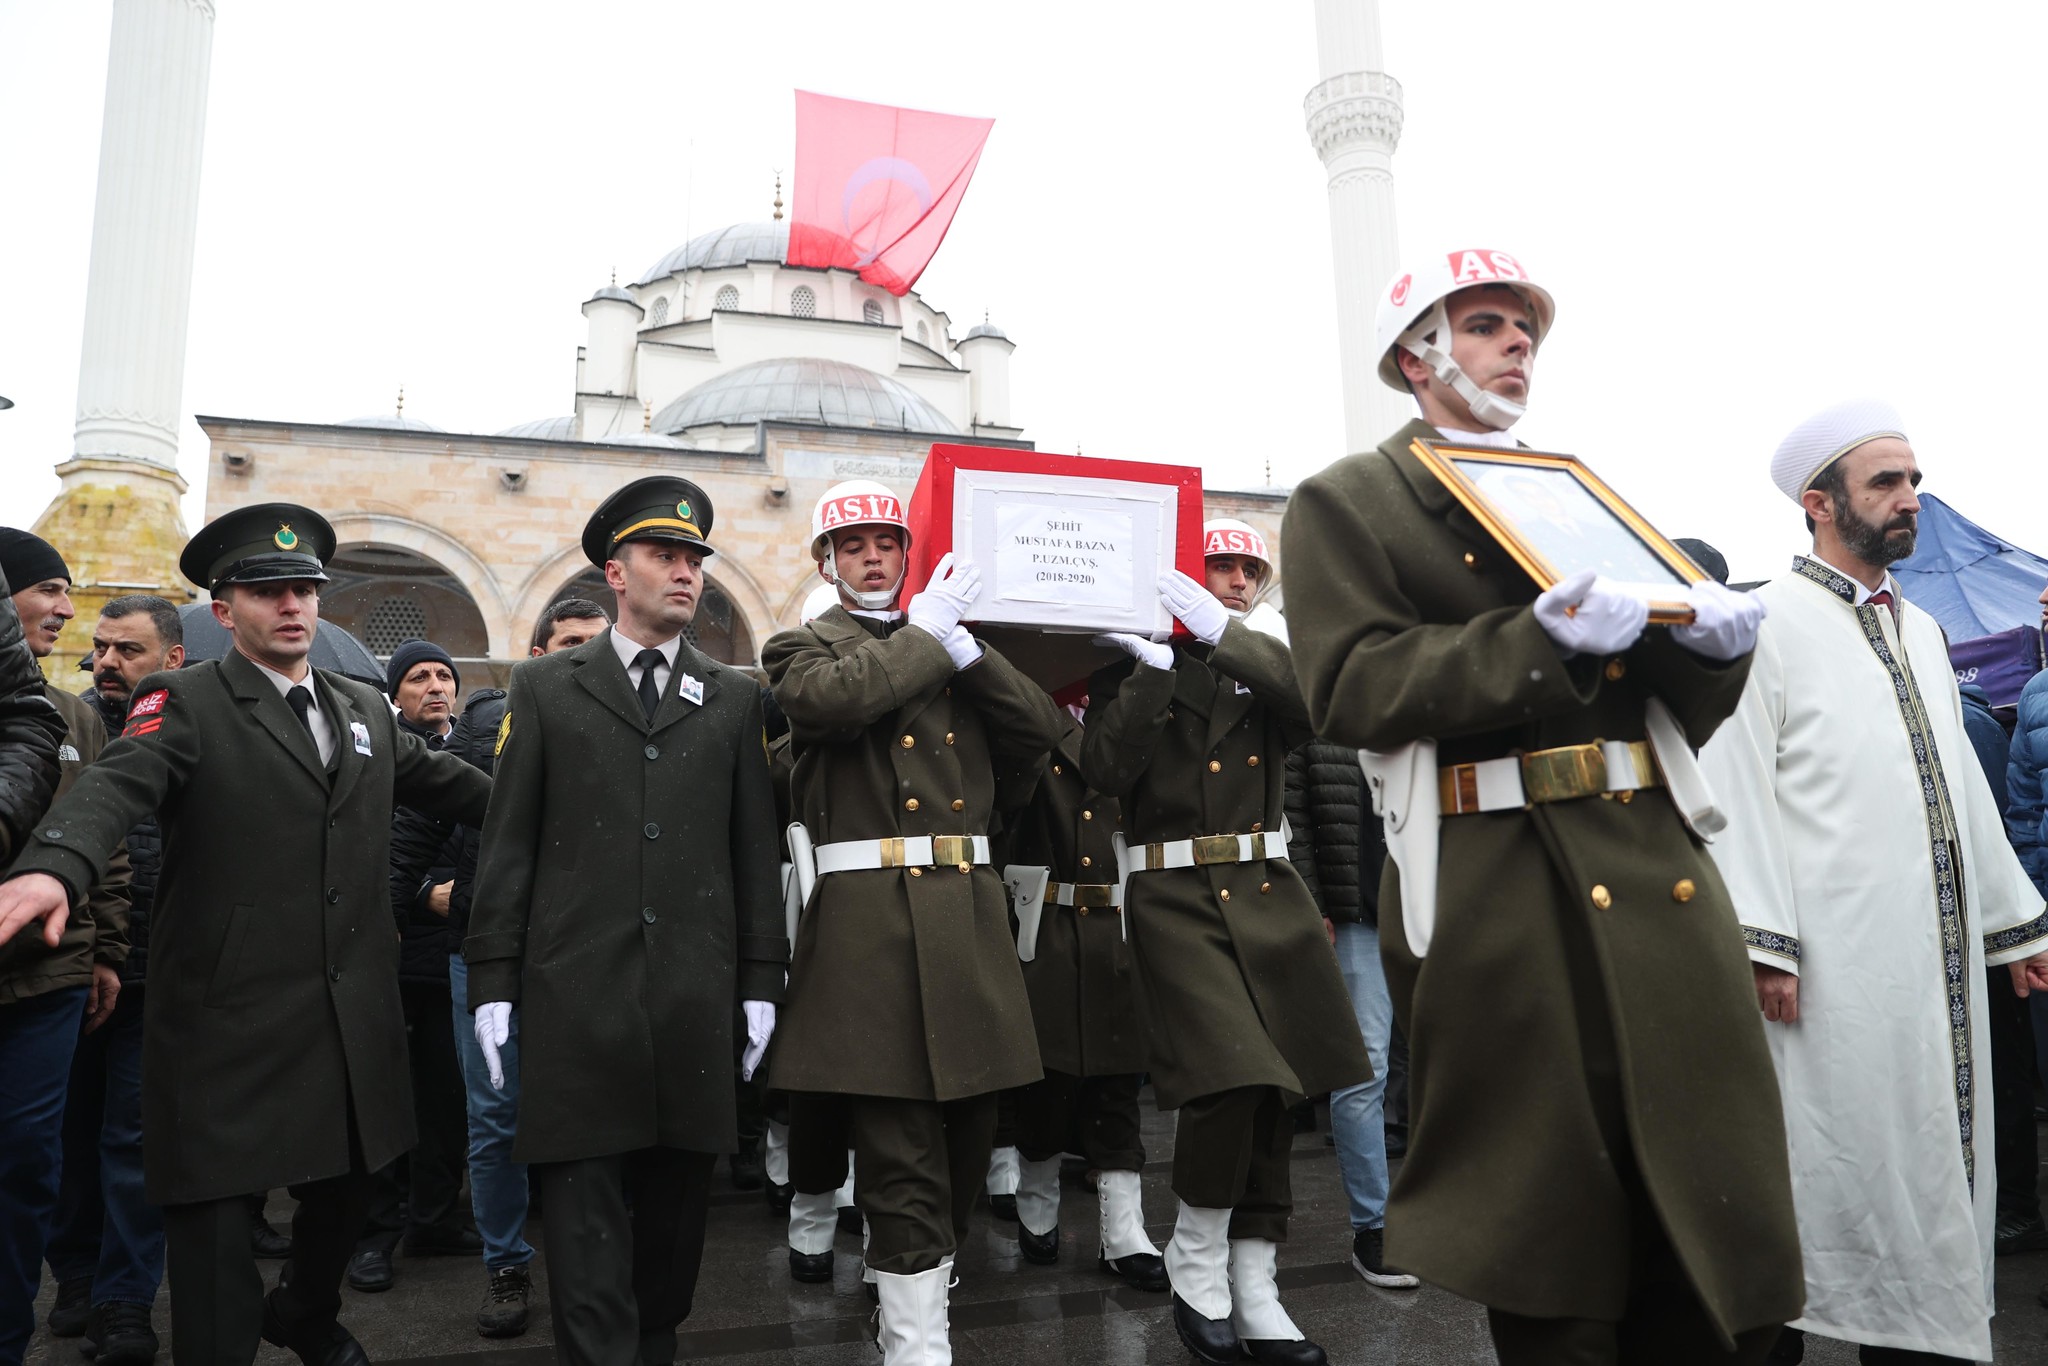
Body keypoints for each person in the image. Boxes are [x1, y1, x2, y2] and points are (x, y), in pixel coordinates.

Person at [1280, 248, 1802, 1364]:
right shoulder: (1353, 499)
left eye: (1523, 327)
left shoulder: (1578, 491)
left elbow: (1664, 708)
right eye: (1484, 324)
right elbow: (1347, 685)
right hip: (1502, 875)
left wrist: (1711, 654)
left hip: (1655, 863)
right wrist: (1532, 642)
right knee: (1554, 1222)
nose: (1517, 343)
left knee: (1705, 1192)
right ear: (1415, 357)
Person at [0, 502, 493, 1366]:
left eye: (305, 588)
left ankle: (302, 1312)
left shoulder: (364, 709)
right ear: (224, 611)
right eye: (269, 591)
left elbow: (461, 788)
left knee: (343, 1201)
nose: (293, 604)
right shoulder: (181, 701)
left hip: (349, 1020)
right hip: (228, 1025)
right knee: (217, 1249)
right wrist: (54, 865)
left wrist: (580, 803)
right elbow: (115, 786)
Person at [1698, 400, 2048, 1364]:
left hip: (1932, 975)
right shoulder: (1763, 627)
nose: (1911, 501)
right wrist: (1762, 940)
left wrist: (2018, 926)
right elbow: (1731, 793)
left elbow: (1964, 787)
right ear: (1818, 503)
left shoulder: (1925, 631)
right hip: (1826, 968)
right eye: (1886, 483)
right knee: (1827, 1169)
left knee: (1933, 1165)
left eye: (1915, 482)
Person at [465, 477, 786, 1366]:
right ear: (616, 571)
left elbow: (754, 855)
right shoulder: (544, 689)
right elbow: (510, 849)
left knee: (673, 1243)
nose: (686, 574)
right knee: (585, 1231)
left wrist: (761, 981)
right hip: (576, 1002)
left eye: (695, 561)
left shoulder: (730, 699)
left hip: (690, 1001)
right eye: (665, 557)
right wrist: (492, 981)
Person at [764, 479, 1060, 1363]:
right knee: (897, 1145)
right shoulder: (798, 648)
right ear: (826, 561)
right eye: (851, 546)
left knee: (969, 1137)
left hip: (964, 916)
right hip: (866, 926)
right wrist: (932, 634)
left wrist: (967, 650)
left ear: (909, 551)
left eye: (887, 542)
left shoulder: (956, 645)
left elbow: (1040, 731)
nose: (872, 557)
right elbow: (834, 703)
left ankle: (915, 1280)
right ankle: (914, 1341)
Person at [1084, 519, 1368, 1366]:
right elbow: (1103, 770)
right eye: (1219, 566)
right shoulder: (1134, 664)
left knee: (1283, 1092)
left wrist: (1222, 636)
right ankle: (1197, 1254)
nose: (1236, 580)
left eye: (1248, 569)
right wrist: (1155, 669)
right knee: (1229, 1076)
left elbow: (1324, 709)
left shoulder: (1263, 661)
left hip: (1269, 892)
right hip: (1173, 895)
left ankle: (1256, 1284)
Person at [385, 598, 611, 1338]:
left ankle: (592, 1265)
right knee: (495, 1119)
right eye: (569, 643)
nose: (584, 655)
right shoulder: (485, 735)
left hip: (587, 960)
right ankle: (506, 1266)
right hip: (484, 965)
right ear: (539, 653)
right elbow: (400, 854)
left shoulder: (623, 737)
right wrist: (438, 900)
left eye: (596, 644)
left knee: (587, 1113)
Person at [0, 531, 132, 1366]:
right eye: (48, 589)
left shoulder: (72, 715)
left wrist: (107, 950)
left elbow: (107, 839)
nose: (64, 610)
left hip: (46, 981)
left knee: (24, 1171)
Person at [43, 594, 184, 1365]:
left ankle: (126, 1300)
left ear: (172, 659)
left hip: (157, 974)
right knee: (65, 1135)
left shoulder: (195, 734)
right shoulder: (60, 726)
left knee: (132, 1141)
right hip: (74, 965)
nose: (105, 663)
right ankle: (74, 1276)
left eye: (127, 650)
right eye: (99, 648)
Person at [997, 708, 1165, 1292]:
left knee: (1120, 1084)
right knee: (1049, 1081)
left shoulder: (1135, 716)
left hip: (1122, 927)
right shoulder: (1034, 718)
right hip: (1050, 927)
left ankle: (1124, 1235)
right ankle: (1036, 1199)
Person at [349, 638, 481, 1294]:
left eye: (444, 675)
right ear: (394, 693)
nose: (435, 686)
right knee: (386, 1099)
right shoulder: (373, 750)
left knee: (447, 1098)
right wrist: (426, 890)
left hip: (453, 957)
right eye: (419, 677)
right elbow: (369, 841)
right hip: (395, 950)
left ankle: (432, 1217)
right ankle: (376, 1234)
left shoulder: (473, 748)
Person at [1282, 736, 1413, 1290]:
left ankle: (1462, 1215)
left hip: (1430, 908)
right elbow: (1295, 816)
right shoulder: (1314, 719)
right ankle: (1374, 1227)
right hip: (1357, 914)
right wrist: (1314, 903)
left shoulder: (1418, 703)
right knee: (1364, 1072)